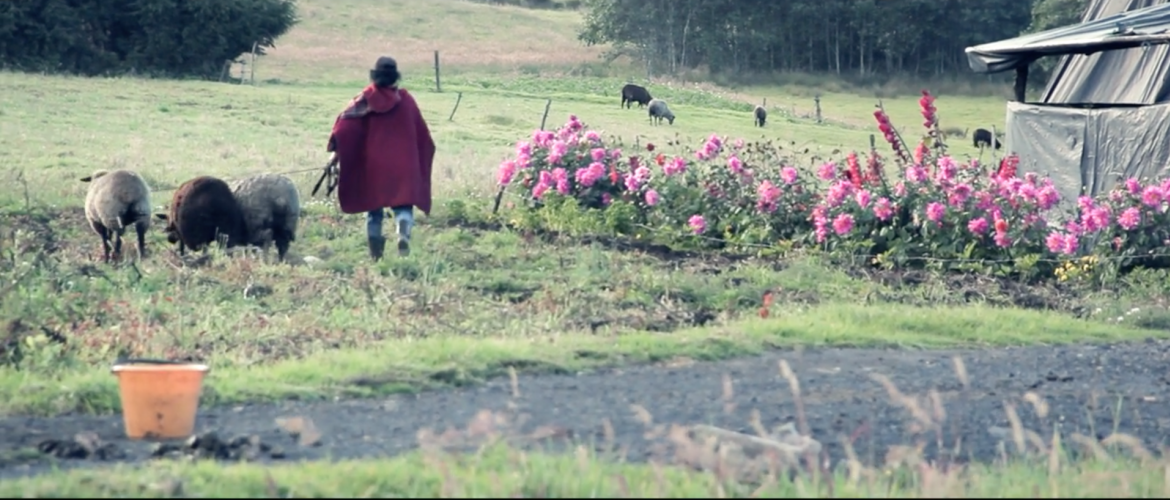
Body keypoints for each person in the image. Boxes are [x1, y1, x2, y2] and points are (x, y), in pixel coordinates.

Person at [325, 56, 435, 260]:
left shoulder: (365, 99)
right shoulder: (407, 100)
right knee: (403, 205)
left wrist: (337, 152)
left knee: (374, 208)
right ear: (394, 77)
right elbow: (424, 136)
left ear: (376, 76)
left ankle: (376, 254)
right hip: (404, 165)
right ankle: (402, 228)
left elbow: (344, 128)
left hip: (374, 166)